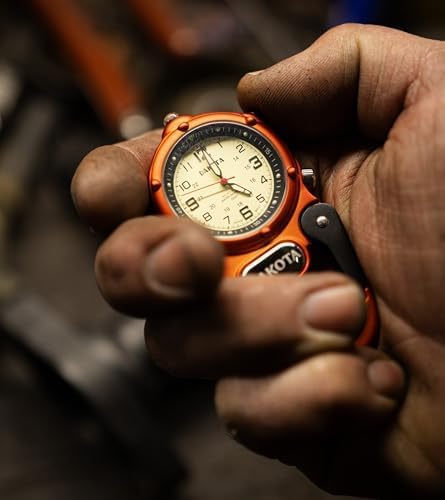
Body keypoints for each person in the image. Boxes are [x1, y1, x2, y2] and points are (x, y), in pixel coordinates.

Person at [71, 24, 445, 499]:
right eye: (209, 186)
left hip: (289, 219)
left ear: (292, 171)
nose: (224, 183)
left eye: (231, 176)